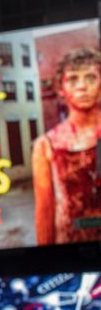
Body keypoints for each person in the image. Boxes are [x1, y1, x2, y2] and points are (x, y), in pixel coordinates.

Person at [32, 48, 101, 245]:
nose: (82, 87)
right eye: (73, 79)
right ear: (61, 89)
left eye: (90, 78)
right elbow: (44, 213)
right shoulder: (46, 145)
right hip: (70, 248)